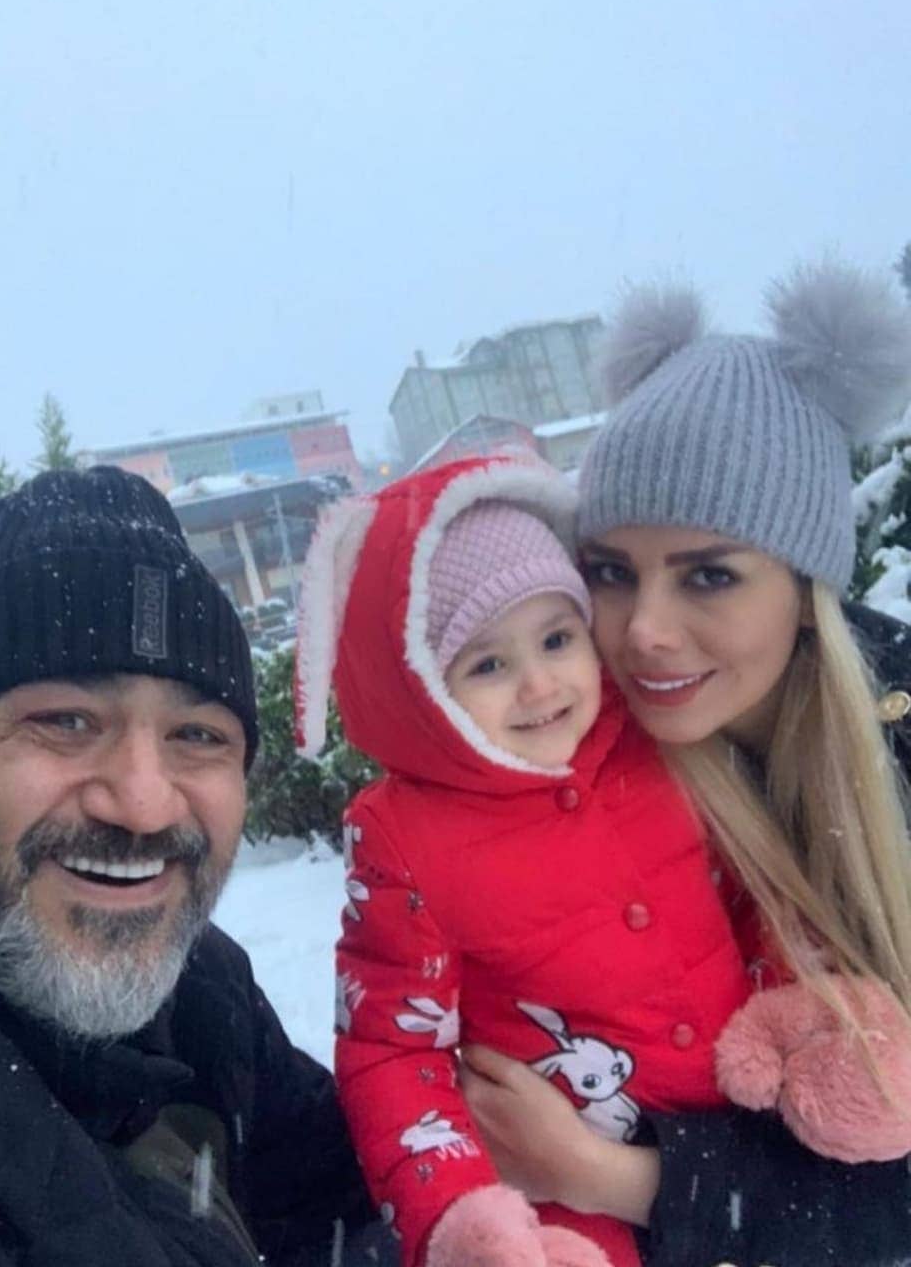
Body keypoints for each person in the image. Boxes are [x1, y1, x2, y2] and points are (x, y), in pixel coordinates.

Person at [295, 453, 898, 1267]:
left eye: (556, 638)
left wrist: (804, 1017)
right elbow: (392, 1051)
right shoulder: (407, 840)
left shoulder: (652, 744)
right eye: (488, 664)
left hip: (745, 1127)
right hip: (563, 1183)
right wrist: (454, 1212)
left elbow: (753, 897)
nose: (540, 685)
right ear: (421, 692)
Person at [459, 260, 911, 1267]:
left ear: (807, 588)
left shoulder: (897, 760)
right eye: (610, 572)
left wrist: (611, 1176)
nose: (643, 630)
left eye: (708, 574)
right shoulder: (577, 768)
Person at [0, 466, 384, 1267]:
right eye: (66, 721)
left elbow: (353, 1217)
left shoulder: (205, 995)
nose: (145, 805)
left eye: (198, 737)